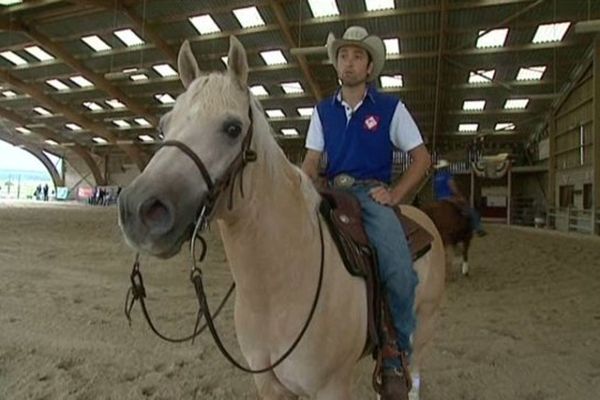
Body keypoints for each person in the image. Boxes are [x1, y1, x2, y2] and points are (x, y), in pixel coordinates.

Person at [301, 26, 431, 399]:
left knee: (399, 271)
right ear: (336, 64)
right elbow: (311, 161)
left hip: (371, 197)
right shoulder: (322, 111)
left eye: (358, 56)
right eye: (344, 56)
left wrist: (396, 193)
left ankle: (395, 354)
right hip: (330, 190)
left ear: (370, 66)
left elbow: (421, 159)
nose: (350, 62)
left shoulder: (391, 109)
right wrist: (305, 185)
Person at [433, 159, 486, 236]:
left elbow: (436, 190)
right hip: (449, 198)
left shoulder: (436, 177)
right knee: (471, 211)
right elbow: (453, 187)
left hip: (439, 199)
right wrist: (459, 196)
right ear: (445, 167)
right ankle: (478, 229)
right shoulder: (447, 175)